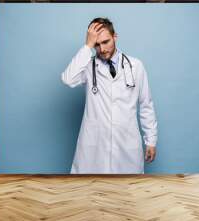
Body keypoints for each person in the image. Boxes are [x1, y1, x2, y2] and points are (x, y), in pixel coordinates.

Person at [61, 17, 158, 174]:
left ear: (115, 37)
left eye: (105, 42)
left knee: (127, 193)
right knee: (90, 192)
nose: (102, 49)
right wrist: (87, 46)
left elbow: (146, 105)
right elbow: (67, 79)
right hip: (95, 145)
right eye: (97, 45)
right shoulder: (87, 66)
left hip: (127, 143)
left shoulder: (136, 66)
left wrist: (151, 140)